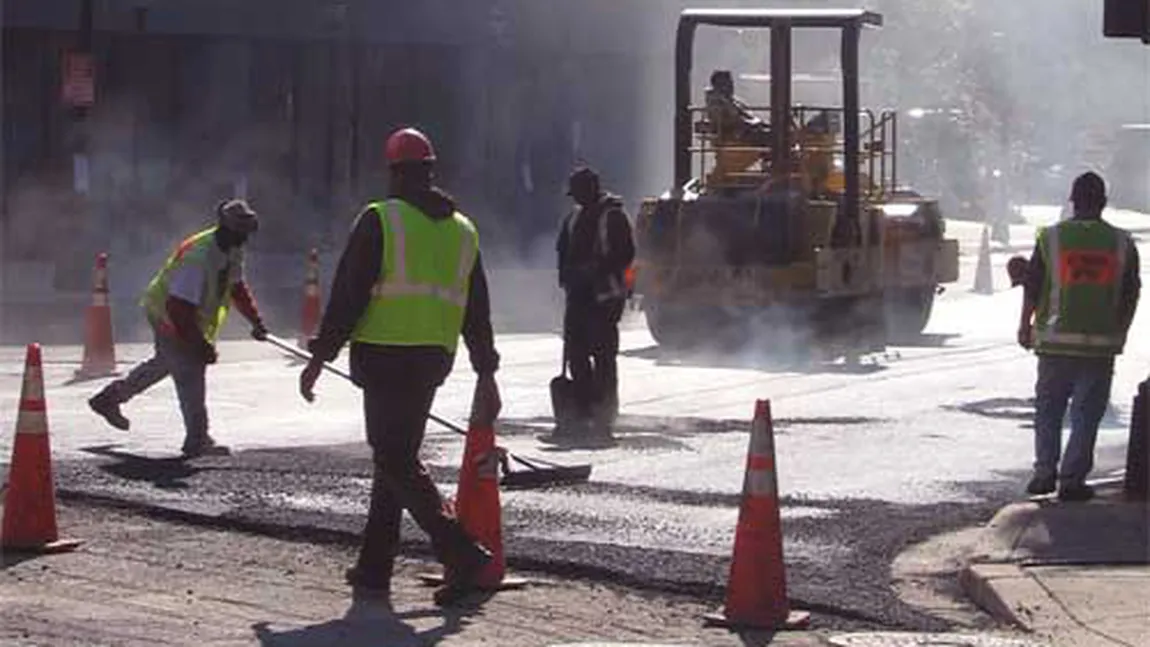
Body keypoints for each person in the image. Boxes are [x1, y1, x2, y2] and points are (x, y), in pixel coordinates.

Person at [299, 127, 501, 606]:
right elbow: (478, 308)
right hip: (433, 357)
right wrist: (485, 369)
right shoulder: (464, 230)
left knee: (394, 457)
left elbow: (348, 295)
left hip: (385, 353)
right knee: (395, 455)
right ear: (429, 170)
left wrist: (319, 356)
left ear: (393, 172)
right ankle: (374, 567)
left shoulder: (381, 220)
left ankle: (461, 551)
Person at [88, 199, 268, 458]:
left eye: (247, 234)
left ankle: (109, 399)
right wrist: (200, 346)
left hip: (180, 314)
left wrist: (256, 321)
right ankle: (197, 438)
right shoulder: (198, 259)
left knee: (168, 362)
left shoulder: (233, 248)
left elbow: (236, 286)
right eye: (241, 233)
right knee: (190, 369)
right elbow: (179, 309)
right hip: (167, 313)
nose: (245, 239)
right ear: (226, 229)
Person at [1018, 172, 1140, 501]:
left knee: (1049, 409)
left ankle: (1044, 472)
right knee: (1086, 414)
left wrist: (1024, 325)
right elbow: (1131, 293)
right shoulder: (1121, 242)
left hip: (1055, 342)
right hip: (1100, 347)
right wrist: (1120, 331)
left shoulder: (1052, 238)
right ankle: (1072, 480)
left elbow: (1033, 284)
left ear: (1072, 201)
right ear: (1103, 202)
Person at [556, 166, 635, 437]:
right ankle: (580, 411)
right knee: (576, 356)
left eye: (579, 191)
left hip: (604, 300)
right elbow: (563, 253)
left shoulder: (613, 217)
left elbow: (625, 255)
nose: (576, 198)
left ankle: (604, 415)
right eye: (573, 193)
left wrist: (597, 272)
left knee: (603, 359)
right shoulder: (573, 218)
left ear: (592, 189)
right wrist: (567, 279)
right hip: (577, 298)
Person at [704, 70, 771, 148]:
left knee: (774, 131)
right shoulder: (716, 101)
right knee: (768, 136)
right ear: (718, 85)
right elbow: (724, 121)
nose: (731, 86)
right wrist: (747, 123)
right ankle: (772, 157)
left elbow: (747, 115)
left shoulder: (732, 99)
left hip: (745, 128)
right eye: (727, 83)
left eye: (731, 83)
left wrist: (758, 123)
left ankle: (770, 156)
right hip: (734, 133)